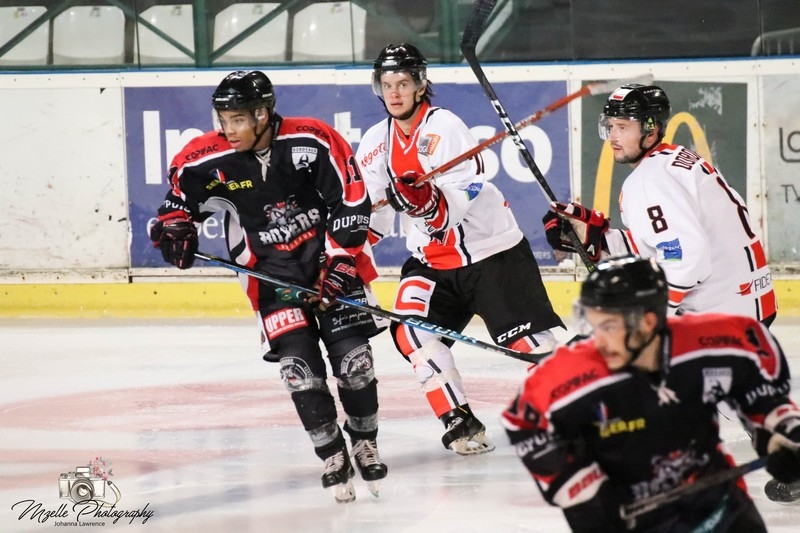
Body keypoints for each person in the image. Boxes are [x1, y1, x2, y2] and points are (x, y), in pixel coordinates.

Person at [149, 70, 387, 503]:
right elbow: (176, 203)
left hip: (332, 268)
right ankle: (333, 453)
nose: (227, 129)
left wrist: (338, 264)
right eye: (223, 119)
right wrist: (173, 228)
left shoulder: (312, 140)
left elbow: (351, 199)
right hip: (272, 279)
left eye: (237, 119)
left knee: (355, 362)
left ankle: (365, 441)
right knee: (301, 373)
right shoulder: (205, 157)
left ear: (263, 114)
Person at [357, 43, 565, 455]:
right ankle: (459, 418)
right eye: (387, 84)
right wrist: (341, 255)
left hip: (491, 256)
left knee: (531, 346)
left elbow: (453, 205)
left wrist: (425, 200)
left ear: (420, 86)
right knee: (411, 331)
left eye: (403, 82)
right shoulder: (375, 142)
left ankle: (595, 400)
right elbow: (372, 215)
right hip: (431, 264)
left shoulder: (444, 127)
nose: (394, 92)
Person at [502, 256, 800, 532]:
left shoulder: (716, 342)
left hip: (721, 511)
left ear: (646, 322)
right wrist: (582, 492)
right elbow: (523, 424)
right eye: (594, 325)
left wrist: (781, 434)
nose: (598, 341)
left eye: (609, 326)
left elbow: (762, 395)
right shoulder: (566, 375)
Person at [543, 84, 777, 326]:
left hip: (721, 318)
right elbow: (665, 243)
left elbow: (687, 258)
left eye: (623, 127)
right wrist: (602, 241)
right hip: (748, 301)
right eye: (610, 126)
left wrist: (648, 320)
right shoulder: (675, 159)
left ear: (650, 130)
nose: (613, 137)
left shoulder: (648, 181)